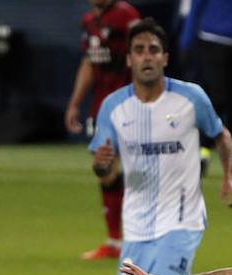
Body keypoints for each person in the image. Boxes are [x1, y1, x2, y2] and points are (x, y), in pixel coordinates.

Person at [90, 17, 232, 275]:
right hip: (137, 223)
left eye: (153, 50)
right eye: (139, 50)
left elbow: (221, 136)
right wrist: (102, 165)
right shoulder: (114, 107)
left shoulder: (190, 98)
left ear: (165, 58)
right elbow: (105, 171)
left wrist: (229, 178)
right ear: (129, 59)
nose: (146, 57)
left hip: (183, 218)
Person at [65, 0, 140, 261]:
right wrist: (75, 102)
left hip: (131, 106)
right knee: (105, 171)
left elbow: (144, 56)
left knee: (136, 172)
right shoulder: (89, 21)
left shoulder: (125, 15)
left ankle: (139, 240)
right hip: (102, 110)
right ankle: (114, 242)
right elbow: (89, 63)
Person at [177, 0, 232, 166]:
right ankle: (203, 148)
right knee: (218, 98)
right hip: (211, 40)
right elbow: (196, 9)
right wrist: (185, 43)